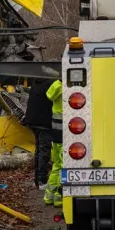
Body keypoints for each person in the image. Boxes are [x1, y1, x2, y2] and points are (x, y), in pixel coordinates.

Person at [44, 78, 63, 208]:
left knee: (57, 164)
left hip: (56, 132)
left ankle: (49, 196)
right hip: (66, 133)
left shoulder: (55, 86)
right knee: (63, 165)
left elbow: (49, 95)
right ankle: (59, 197)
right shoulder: (65, 88)